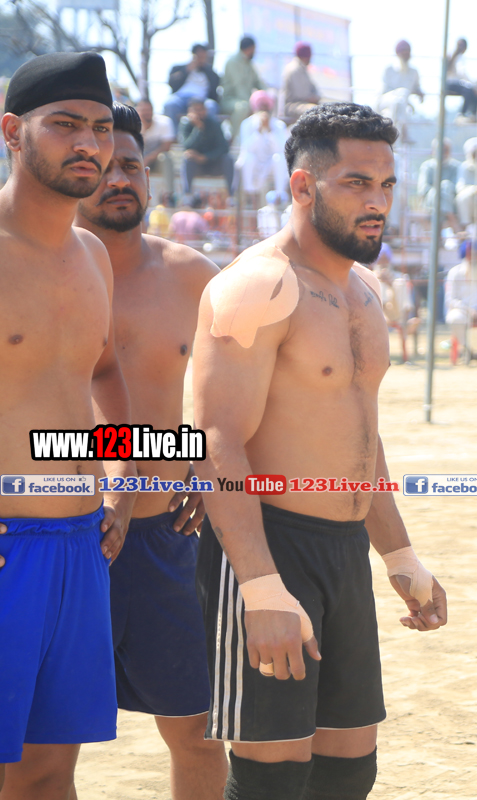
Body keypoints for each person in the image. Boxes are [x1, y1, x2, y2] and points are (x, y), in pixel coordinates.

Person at [192, 103, 447, 800]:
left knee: (347, 773)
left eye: (387, 185)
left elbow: (359, 435)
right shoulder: (258, 284)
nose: (378, 202)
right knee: (272, 780)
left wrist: (400, 555)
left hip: (344, 550)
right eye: (357, 183)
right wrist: (259, 585)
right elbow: (215, 441)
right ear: (303, 186)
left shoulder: (364, 292)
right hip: (271, 542)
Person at [74, 102, 227, 800]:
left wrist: (204, 460)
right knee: (42, 742)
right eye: (105, 168)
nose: (119, 180)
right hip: (62, 534)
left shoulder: (195, 277)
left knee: (198, 731)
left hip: (167, 537)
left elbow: (240, 396)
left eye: (132, 166)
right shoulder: (37, 274)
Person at [0, 50, 136, 797]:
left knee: (52, 771)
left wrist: (123, 482)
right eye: (65, 125)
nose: (89, 143)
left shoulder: (91, 255)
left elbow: (106, 373)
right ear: (12, 131)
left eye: (101, 128)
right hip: (6, 547)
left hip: (82, 545)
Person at [236, 90, 289, 201]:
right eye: (261, 107)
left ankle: (279, 194)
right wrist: (259, 131)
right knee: (248, 157)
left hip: (269, 164)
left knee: (279, 158)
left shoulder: (279, 125)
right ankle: (249, 194)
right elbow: (247, 148)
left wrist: (269, 131)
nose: (264, 110)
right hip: (253, 163)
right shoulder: (247, 124)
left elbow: (281, 149)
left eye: (266, 107)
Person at [178, 98, 233, 194]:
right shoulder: (185, 124)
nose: (199, 113)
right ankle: (187, 195)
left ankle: (231, 195)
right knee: (187, 159)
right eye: (196, 110)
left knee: (228, 159)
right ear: (190, 111)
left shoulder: (214, 123)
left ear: (205, 110)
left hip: (214, 163)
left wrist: (205, 157)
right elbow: (187, 146)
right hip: (196, 165)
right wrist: (198, 129)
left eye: (201, 109)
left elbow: (224, 147)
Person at [222, 35, 266, 139]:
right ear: (249, 48)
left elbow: (258, 82)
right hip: (230, 101)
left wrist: (268, 94)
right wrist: (253, 105)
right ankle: (234, 138)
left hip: (246, 101)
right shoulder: (232, 62)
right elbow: (239, 87)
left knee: (265, 104)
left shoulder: (249, 64)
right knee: (243, 107)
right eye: (253, 49)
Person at [165, 44, 220, 126]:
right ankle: (174, 133)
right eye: (199, 56)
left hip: (202, 99)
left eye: (203, 56)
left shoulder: (210, 73)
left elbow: (215, 88)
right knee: (170, 104)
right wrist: (187, 69)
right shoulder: (179, 68)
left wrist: (205, 68)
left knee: (211, 106)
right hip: (181, 98)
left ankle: (207, 132)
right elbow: (172, 83)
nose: (201, 59)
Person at [379, 39, 424, 132]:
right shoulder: (389, 70)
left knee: (402, 101)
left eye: (408, 50)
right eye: (403, 50)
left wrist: (419, 92)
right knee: (399, 100)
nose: (406, 53)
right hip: (388, 104)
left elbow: (416, 87)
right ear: (398, 52)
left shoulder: (414, 72)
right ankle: (401, 132)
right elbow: (385, 91)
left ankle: (401, 133)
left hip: (404, 106)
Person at [419, 137, 461, 232]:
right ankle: (451, 220)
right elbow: (423, 188)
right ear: (433, 151)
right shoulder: (427, 166)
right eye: (440, 150)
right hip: (431, 200)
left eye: (445, 150)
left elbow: (457, 188)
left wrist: (443, 189)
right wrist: (438, 191)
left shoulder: (456, 166)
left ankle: (437, 229)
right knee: (442, 188)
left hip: (452, 201)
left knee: (446, 185)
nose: (442, 153)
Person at [138, 98, 176, 199]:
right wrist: (143, 128)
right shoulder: (133, 124)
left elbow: (167, 146)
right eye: (144, 110)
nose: (147, 113)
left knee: (166, 157)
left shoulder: (164, 122)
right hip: (139, 159)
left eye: (149, 109)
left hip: (156, 160)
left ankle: (170, 195)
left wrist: (149, 158)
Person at [279, 42, 321, 124]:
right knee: (315, 110)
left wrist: (317, 97)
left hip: (301, 104)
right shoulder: (294, 69)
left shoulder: (302, 68)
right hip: (291, 106)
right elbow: (301, 95)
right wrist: (314, 98)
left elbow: (313, 88)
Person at [444, 37, 477, 119]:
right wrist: (473, 85)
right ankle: (463, 113)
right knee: (468, 91)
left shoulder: (454, 56)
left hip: (452, 84)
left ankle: (472, 113)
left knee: (469, 91)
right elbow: (462, 73)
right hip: (451, 84)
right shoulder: (456, 57)